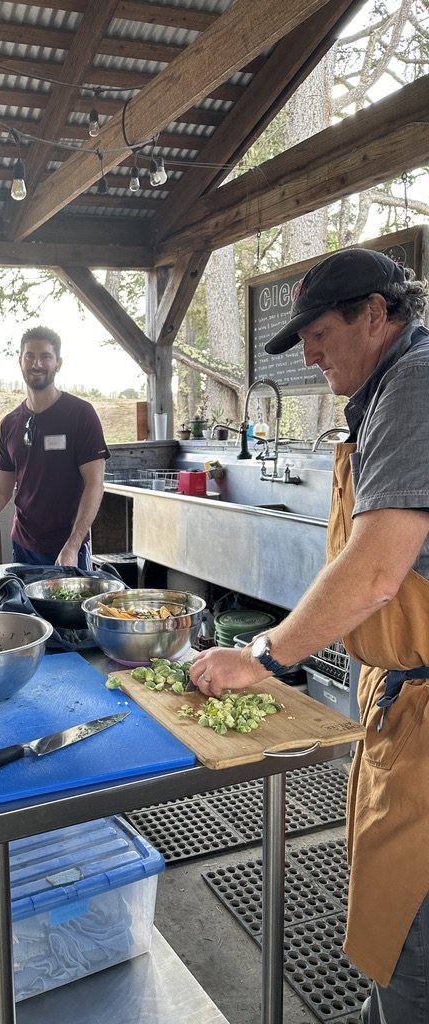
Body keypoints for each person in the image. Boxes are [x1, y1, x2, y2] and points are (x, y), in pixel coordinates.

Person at [187, 248, 429, 1024]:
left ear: (376, 314)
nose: (312, 355)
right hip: (402, 701)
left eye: (322, 333)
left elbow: (376, 573)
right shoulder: (385, 392)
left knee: (414, 940)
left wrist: (263, 655)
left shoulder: (418, 382)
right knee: (396, 926)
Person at [0, 326, 109, 570]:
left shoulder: (80, 414)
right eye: (30, 356)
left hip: (69, 549)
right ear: (20, 361)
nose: (36, 363)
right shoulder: (10, 424)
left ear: (58, 363)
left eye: (45, 356)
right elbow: (0, 491)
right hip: (23, 547)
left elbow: (95, 483)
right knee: (23, 609)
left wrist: (73, 544)